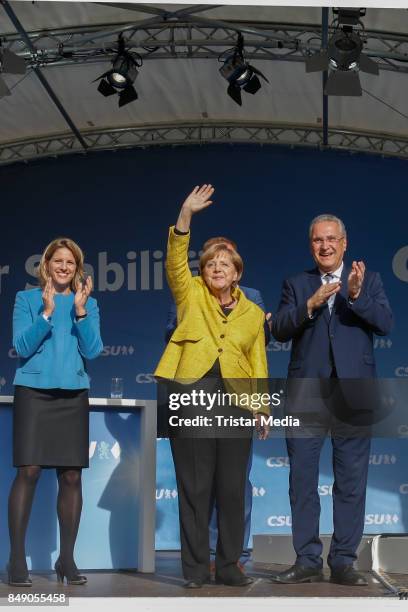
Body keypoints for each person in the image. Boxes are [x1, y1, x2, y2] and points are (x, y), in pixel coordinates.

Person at [155, 184, 269, 588]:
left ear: (238, 272)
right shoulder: (191, 296)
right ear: (202, 272)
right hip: (192, 395)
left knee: (232, 489)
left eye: (224, 264)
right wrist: (185, 213)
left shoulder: (254, 313)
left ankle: (227, 567)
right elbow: (174, 262)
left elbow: (258, 361)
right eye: (209, 264)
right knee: (195, 487)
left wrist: (262, 408)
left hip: (235, 402)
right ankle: (194, 570)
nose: (216, 268)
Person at [270, 214, 393, 586]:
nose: (324, 246)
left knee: (351, 480)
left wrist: (354, 295)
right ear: (311, 246)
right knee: (303, 479)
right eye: (317, 241)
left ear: (344, 243)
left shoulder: (368, 280)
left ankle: (343, 561)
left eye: (331, 239)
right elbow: (278, 328)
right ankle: (307, 559)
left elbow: (385, 322)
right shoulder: (296, 283)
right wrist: (309, 303)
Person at [7, 237, 103, 587]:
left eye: (71, 263)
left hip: (72, 393)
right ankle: (17, 559)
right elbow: (21, 346)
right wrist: (46, 313)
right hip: (34, 392)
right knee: (29, 471)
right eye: (57, 260)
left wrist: (80, 312)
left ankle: (66, 558)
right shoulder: (26, 299)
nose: (64, 267)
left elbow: (93, 351)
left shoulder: (87, 303)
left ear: (78, 269)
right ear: (45, 264)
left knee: (72, 476)